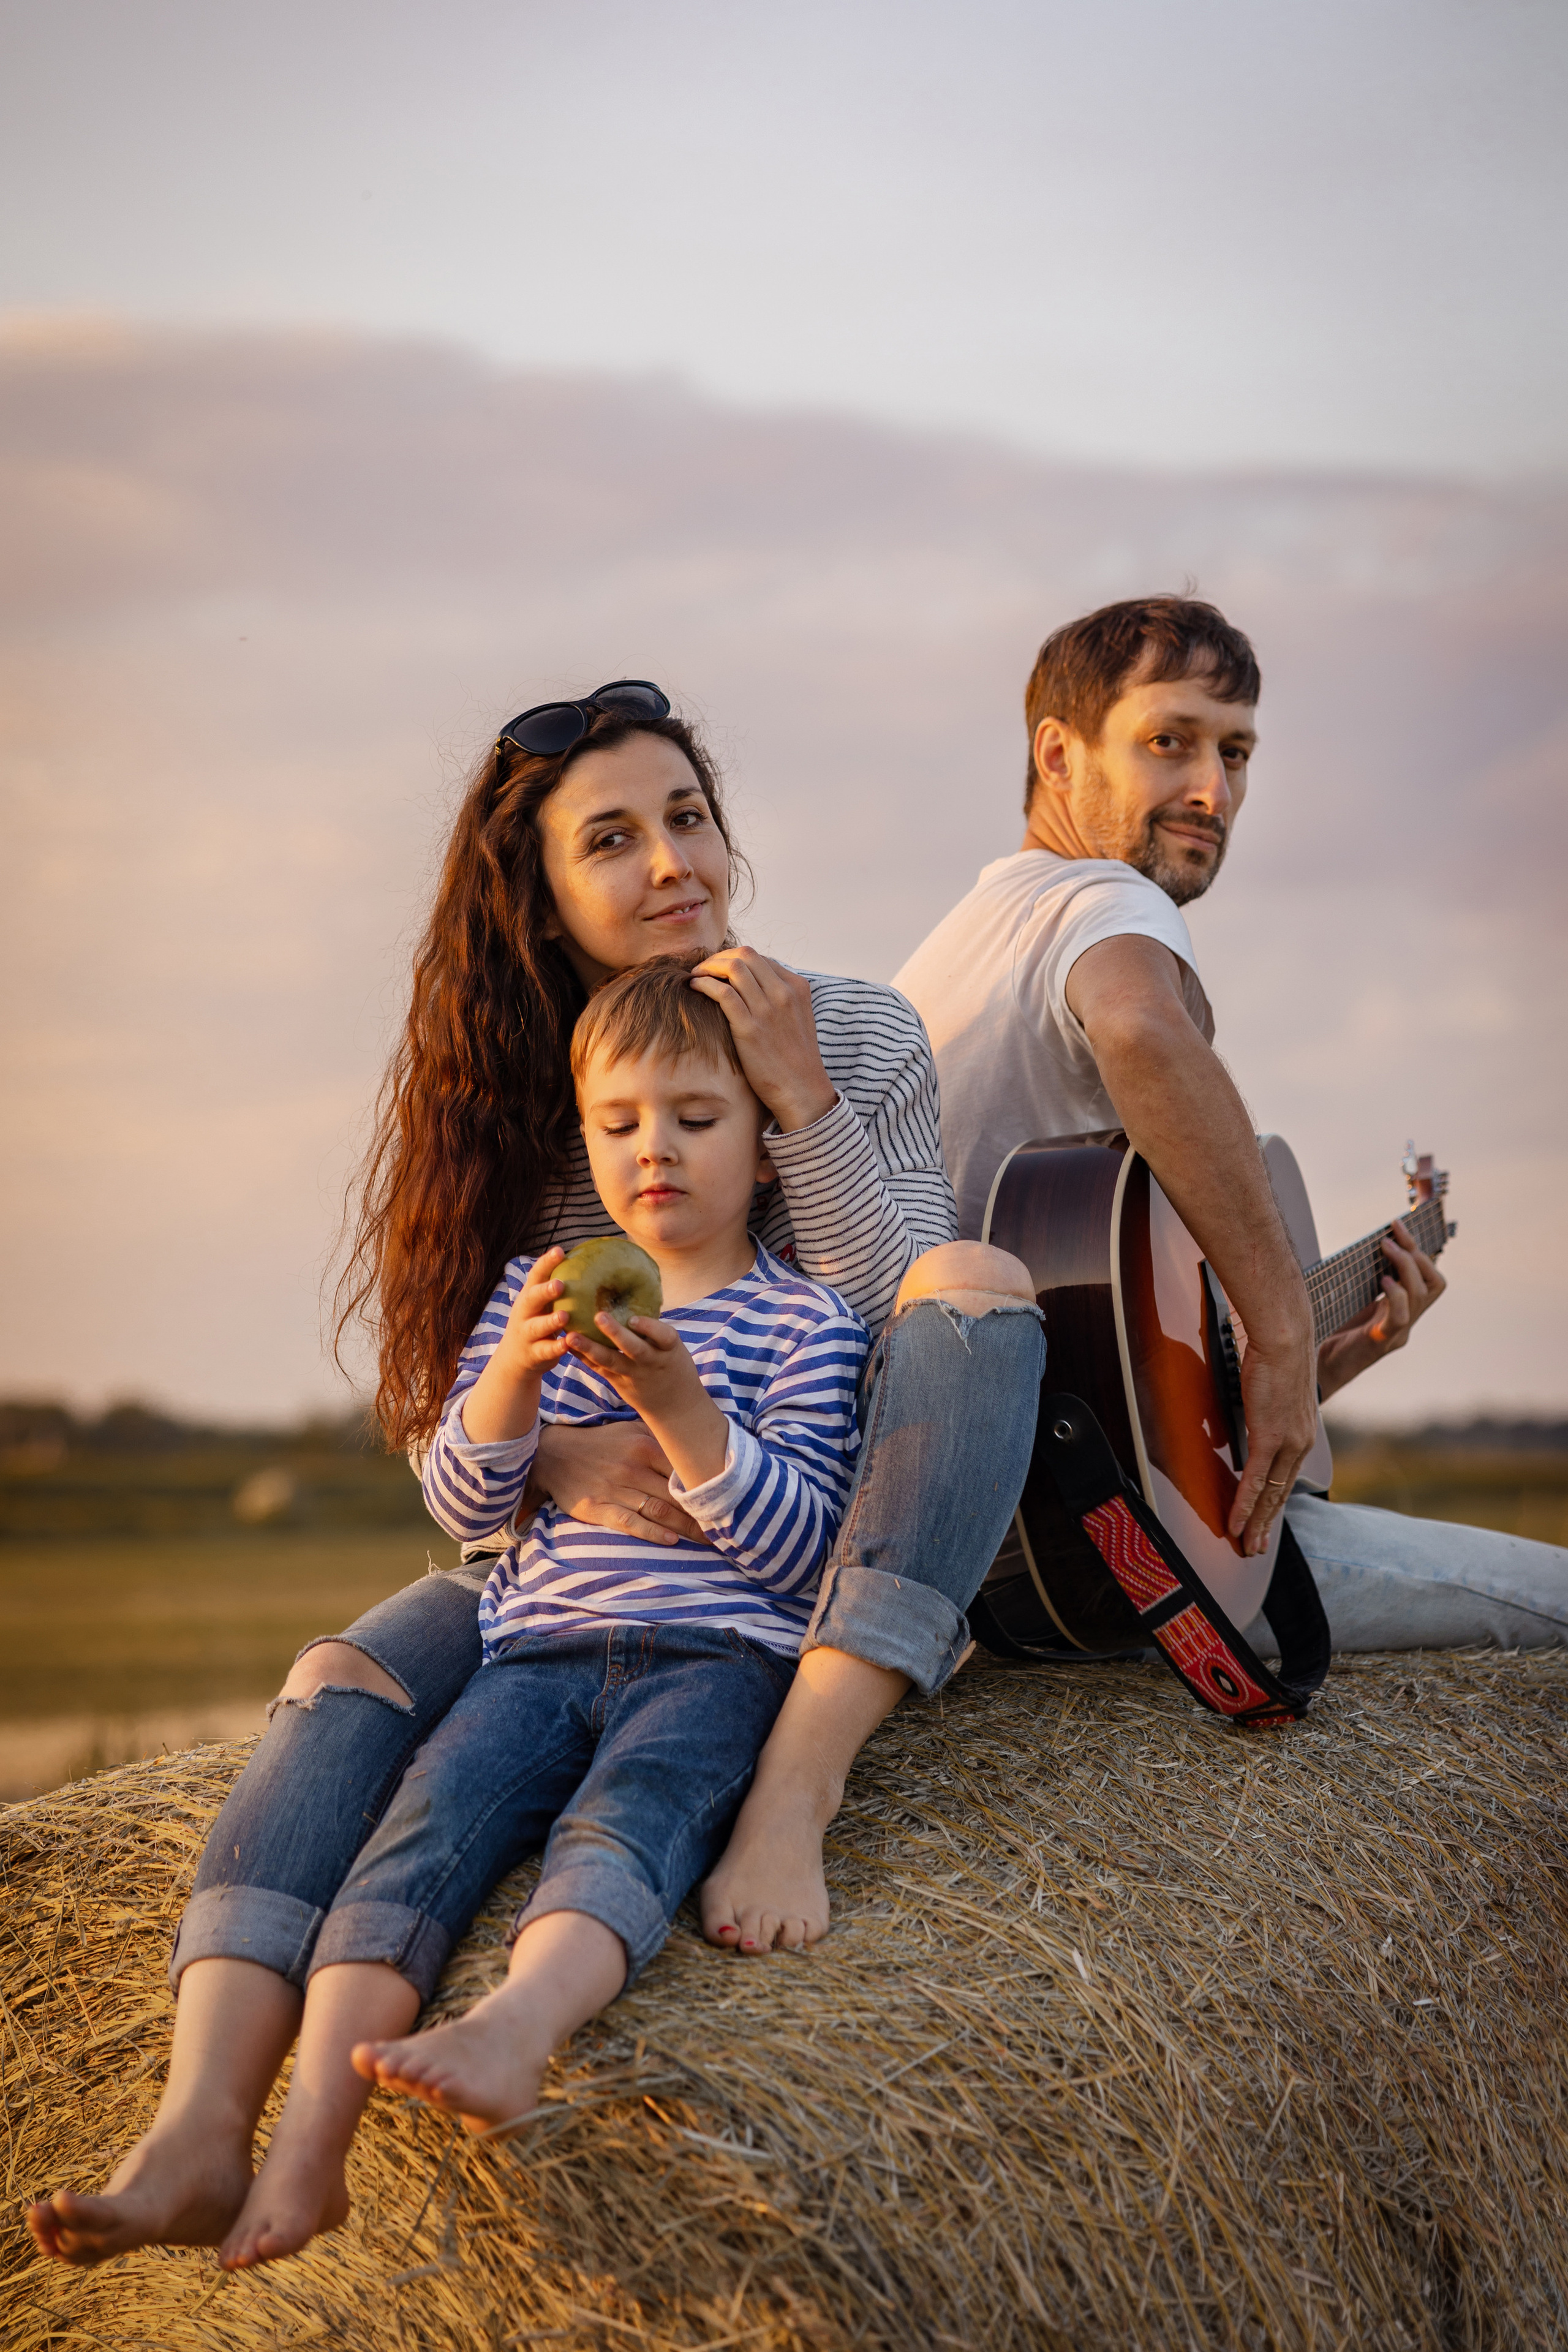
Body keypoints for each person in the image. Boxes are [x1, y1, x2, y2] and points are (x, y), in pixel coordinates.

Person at [27, 679, 1038, 2268]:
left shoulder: (849, 1028)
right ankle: (207, 2122)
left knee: (975, 1283)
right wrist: (559, 1434)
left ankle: (797, 1786)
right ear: (543, 894)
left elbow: (898, 1328)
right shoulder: (523, 1081)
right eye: (614, 840)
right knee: (343, 1675)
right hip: (557, 1564)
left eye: (689, 818)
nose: (672, 865)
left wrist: (798, 1100)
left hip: (798, 1543)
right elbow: (472, 1446)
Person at [209, 960, 869, 2267]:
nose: (655, 1150)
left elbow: (802, 1560)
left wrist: (687, 1416)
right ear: (585, 1140)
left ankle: (515, 2029)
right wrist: (512, 1372)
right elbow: (465, 1501)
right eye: (618, 1123)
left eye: (695, 1116)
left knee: (624, 1825)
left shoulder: (807, 1325)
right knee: (416, 1837)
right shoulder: (539, 1297)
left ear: (763, 1146)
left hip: (715, 1663)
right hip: (528, 1656)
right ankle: (307, 2150)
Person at [893, 594, 1568, 1651]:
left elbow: (1109, 1356)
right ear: (1058, 756)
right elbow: (1142, 1031)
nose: (1212, 790)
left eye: (1238, 752)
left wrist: (1310, 1361)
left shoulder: (971, 940)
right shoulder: (1103, 902)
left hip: (1016, 1549)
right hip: (1093, 1548)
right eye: (1170, 742)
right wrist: (1284, 1322)